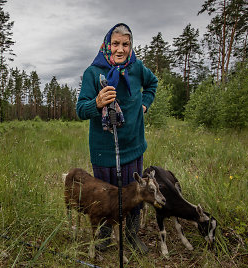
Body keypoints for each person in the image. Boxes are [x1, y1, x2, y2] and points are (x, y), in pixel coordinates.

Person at [76, 23, 158, 253]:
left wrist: (144, 104)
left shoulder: (137, 68)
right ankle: (104, 235)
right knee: (105, 194)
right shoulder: (93, 72)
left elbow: (152, 84)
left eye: (125, 44)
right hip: (104, 149)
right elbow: (80, 109)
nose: (120, 49)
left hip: (133, 145)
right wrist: (97, 103)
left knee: (134, 192)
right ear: (106, 45)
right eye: (115, 44)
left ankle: (131, 235)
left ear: (131, 46)